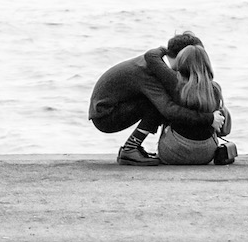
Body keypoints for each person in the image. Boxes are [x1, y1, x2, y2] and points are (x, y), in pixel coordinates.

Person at [88, 31, 230, 165]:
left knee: (162, 101)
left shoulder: (159, 65)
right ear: (183, 56)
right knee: (160, 104)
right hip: (105, 115)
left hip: (113, 106)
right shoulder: (151, 73)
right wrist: (209, 119)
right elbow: (168, 110)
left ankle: (134, 147)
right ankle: (130, 148)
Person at [154, 44, 235, 165]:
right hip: (206, 154)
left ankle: (134, 145)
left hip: (173, 152)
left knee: (160, 104)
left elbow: (151, 58)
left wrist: (166, 50)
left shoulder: (176, 86)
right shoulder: (215, 89)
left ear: (181, 65)